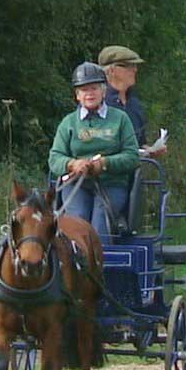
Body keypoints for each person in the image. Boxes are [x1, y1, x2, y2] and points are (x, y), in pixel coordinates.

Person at [48, 61, 139, 239]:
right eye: (84, 89)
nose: (89, 93)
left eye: (94, 88)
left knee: (99, 227)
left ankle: (100, 261)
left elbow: (132, 156)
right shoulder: (68, 123)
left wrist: (104, 164)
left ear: (103, 91)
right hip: (77, 183)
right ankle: (75, 263)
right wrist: (72, 164)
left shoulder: (120, 119)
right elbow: (54, 158)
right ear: (77, 95)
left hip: (111, 183)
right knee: (77, 224)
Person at [98, 45, 167, 157]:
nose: (135, 70)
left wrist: (150, 150)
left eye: (134, 66)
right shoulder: (97, 103)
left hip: (132, 172)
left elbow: (140, 143)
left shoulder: (134, 103)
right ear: (111, 70)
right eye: (129, 66)